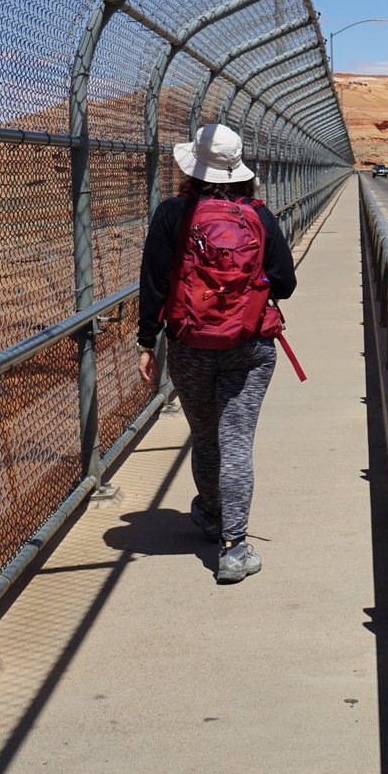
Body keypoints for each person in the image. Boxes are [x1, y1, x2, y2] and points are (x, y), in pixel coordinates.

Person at [137, 123, 297, 584]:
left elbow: (154, 285)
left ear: (193, 169)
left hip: (188, 344)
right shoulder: (259, 216)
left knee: (206, 436)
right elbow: (285, 283)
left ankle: (210, 513)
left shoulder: (173, 214)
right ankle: (235, 547)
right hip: (249, 346)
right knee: (237, 441)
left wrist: (148, 342)